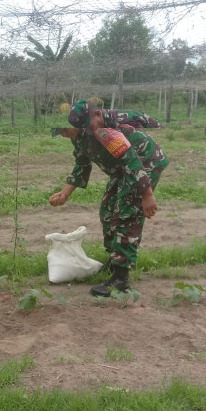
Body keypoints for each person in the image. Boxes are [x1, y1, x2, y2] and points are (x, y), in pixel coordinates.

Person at [49, 100, 168, 297]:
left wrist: (147, 195)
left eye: (64, 130)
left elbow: (131, 160)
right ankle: (115, 261)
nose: (63, 134)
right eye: (59, 132)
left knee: (125, 214)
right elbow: (82, 164)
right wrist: (65, 193)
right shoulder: (77, 134)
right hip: (122, 168)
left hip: (145, 162)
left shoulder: (104, 131)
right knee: (107, 211)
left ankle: (121, 279)